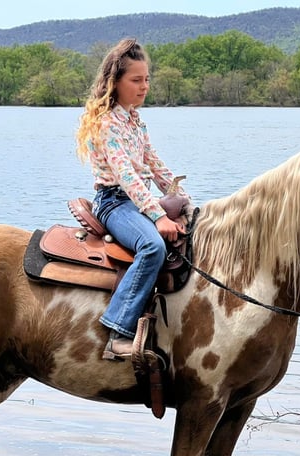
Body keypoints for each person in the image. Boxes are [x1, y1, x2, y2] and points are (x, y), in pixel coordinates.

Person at [76, 38, 187, 359]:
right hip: (114, 202)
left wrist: (185, 200)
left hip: (135, 200)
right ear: (116, 83)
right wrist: (159, 216)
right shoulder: (107, 123)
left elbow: (156, 166)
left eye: (147, 79)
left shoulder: (136, 121)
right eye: (136, 80)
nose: (144, 86)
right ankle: (118, 330)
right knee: (152, 246)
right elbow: (127, 177)